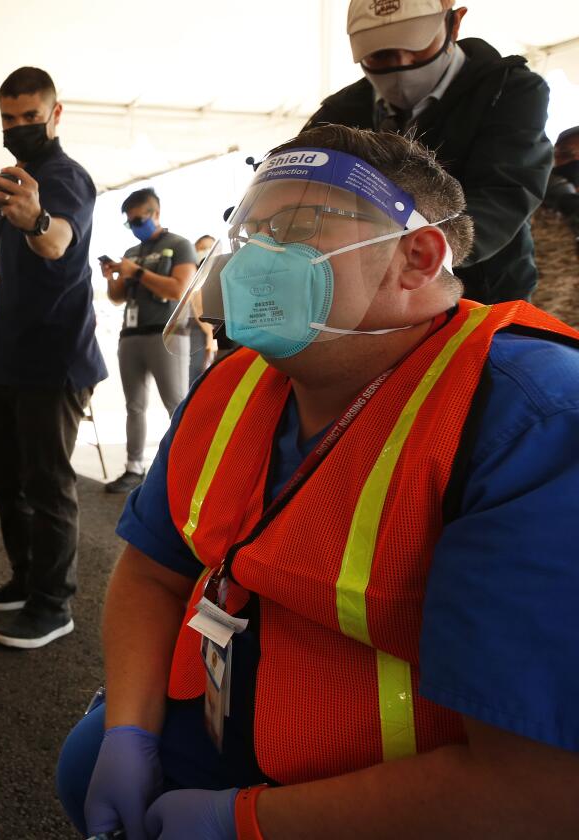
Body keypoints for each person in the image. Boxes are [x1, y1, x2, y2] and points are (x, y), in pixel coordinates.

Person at [56, 125, 579, 839]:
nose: (256, 259)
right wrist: (129, 733)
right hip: (247, 715)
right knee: (88, 761)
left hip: (410, 789)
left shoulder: (528, 415)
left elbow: (536, 790)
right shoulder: (236, 386)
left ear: (416, 258)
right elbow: (151, 573)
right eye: (252, 231)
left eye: (299, 229)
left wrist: (246, 822)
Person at [0, 65, 107, 649]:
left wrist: (37, 219)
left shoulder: (63, 179)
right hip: (8, 358)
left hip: (54, 361)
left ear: (55, 114)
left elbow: (58, 240)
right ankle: (27, 580)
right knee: (2, 476)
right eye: (8, 118)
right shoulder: (14, 179)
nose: (18, 126)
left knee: (48, 485)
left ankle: (54, 604)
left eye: (29, 116)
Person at [306, 0, 552, 305]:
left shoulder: (509, 91)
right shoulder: (340, 111)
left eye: (416, 45)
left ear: (455, 23)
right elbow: (301, 185)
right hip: (369, 294)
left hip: (483, 289)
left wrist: (415, 254)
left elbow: (505, 191)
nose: (402, 63)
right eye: (380, 54)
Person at [101, 188, 200, 494]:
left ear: (155, 214)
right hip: (130, 335)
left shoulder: (180, 245)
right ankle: (134, 467)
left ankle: (185, 471)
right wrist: (113, 278)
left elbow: (179, 289)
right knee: (134, 406)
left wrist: (138, 272)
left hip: (166, 333)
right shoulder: (131, 252)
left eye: (139, 218)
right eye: (129, 221)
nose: (134, 225)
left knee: (176, 404)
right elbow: (116, 298)